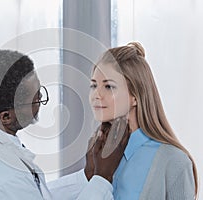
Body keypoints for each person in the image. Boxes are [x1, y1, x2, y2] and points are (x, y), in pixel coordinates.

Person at [0, 49, 129, 200]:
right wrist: (102, 178)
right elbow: (19, 190)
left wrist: (86, 176)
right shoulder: (8, 181)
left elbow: (34, 193)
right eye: (35, 99)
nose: (41, 101)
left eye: (39, 91)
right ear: (6, 116)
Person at [85, 42, 198, 199]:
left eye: (109, 86)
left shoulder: (173, 161)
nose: (96, 95)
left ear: (135, 97)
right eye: (93, 85)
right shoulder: (96, 156)